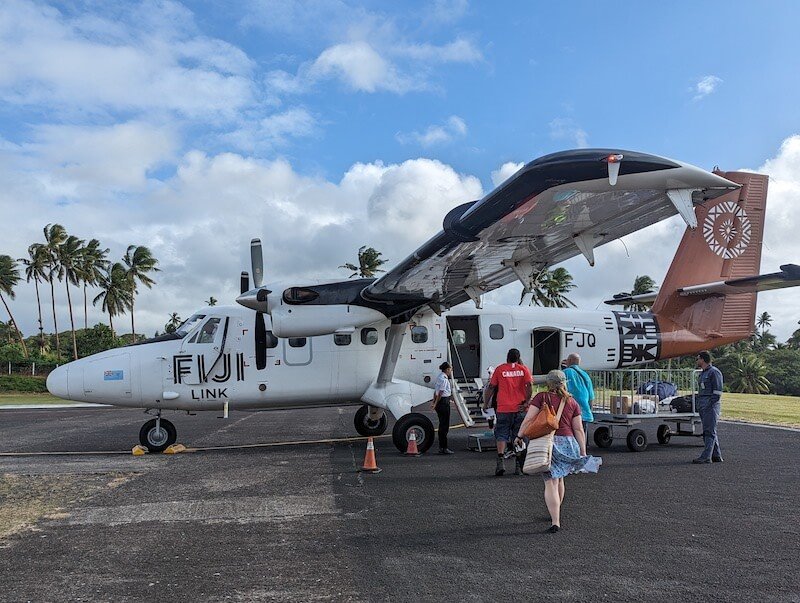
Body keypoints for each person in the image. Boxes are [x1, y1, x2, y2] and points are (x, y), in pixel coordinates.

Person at [515, 370, 602, 533]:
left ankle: (555, 521)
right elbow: (578, 429)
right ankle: (556, 511)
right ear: (564, 383)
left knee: (550, 481)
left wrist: (519, 436)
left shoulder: (541, 398)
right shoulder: (572, 402)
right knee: (560, 478)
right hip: (568, 443)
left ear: (548, 383)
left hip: (549, 443)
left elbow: (528, 419)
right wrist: (582, 451)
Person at [484, 349, 533, 476]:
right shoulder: (523, 369)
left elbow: (491, 387)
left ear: (507, 357)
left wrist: (485, 403)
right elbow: (529, 385)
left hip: (503, 408)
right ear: (518, 357)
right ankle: (518, 465)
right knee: (519, 435)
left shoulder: (500, 370)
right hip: (520, 408)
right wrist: (527, 402)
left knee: (501, 434)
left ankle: (500, 460)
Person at [693, 351, 724, 464]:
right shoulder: (703, 373)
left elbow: (717, 391)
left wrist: (710, 404)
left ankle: (706, 456)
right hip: (703, 403)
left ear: (703, 359)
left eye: (698, 359)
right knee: (710, 430)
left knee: (708, 431)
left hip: (710, 405)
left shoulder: (714, 372)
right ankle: (716, 455)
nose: (697, 361)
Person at [561, 353, 595, 433]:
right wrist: (589, 410)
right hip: (584, 412)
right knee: (582, 437)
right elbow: (591, 397)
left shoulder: (565, 372)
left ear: (569, 361)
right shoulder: (585, 375)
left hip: (570, 412)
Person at [430, 362, 454, 454]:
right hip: (443, 402)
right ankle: (444, 447)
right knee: (444, 426)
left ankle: (442, 447)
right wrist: (436, 403)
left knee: (442, 425)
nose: (451, 371)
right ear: (447, 369)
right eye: (450, 369)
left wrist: (434, 402)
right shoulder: (444, 379)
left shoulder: (439, 377)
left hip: (441, 402)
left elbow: (435, 392)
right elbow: (440, 392)